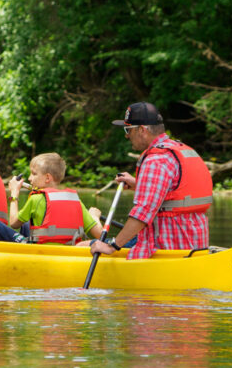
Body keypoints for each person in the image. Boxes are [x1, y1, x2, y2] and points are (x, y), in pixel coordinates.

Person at [90, 102, 213, 260]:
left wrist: (112, 246)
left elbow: (143, 212)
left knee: (87, 246)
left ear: (142, 130)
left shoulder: (156, 160)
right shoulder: (179, 149)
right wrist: (137, 184)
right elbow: (172, 194)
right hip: (195, 247)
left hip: (167, 251)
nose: (127, 136)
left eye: (128, 130)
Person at [0, 152, 104, 244]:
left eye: (34, 174)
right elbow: (100, 235)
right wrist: (94, 217)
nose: (29, 178)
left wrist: (14, 194)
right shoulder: (76, 200)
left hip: (40, 251)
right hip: (66, 253)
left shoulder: (36, 199)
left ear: (47, 178)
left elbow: (13, 223)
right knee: (27, 223)